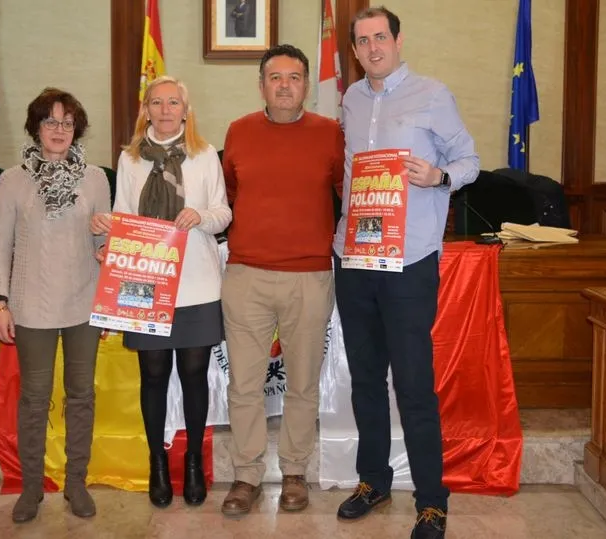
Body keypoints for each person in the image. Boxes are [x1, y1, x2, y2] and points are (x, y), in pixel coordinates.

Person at [332, 7, 480, 539]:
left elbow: (470, 161)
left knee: (414, 384)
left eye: (380, 38)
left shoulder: (433, 94)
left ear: (397, 40)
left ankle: (432, 501)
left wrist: (438, 175)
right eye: (363, 41)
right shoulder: (349, 99)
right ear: (354, 50)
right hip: (355, 259)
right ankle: (373, 480)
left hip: (409, 262)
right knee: (366, 379)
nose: (373, 48)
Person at [90, 75, 232, 508]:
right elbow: (123, 217)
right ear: (145, 110)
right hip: (145, 285)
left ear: (186, 110)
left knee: (193, 376)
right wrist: (108, 235)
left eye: (174, 102)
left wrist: (201, 216)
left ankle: (191, 462)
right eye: (157, 102)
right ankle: (156, 463)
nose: (166, 109)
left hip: (197, 282)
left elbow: (224, 213)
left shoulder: (205, 155)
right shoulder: (129, 159)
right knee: (152, 375)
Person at [220, 44, 344, 516]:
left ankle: (294, 471)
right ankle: (247, 475)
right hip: (246, 274)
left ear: (307, 85)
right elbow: (227, 196)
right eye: (276, 77)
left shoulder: (330, 133)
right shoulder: (238, 132)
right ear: (262, 85)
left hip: (308, 278)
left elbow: (346, 194)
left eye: (294, 77)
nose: (285, 85)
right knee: (245, 385)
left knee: (302, 384)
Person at [0, 88, 111, 523]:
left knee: (81, 396)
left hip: (83, 305)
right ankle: (32, 487)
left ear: (76, 130)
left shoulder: (96, 178)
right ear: (35, 127)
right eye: (50, 121)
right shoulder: (11, 180)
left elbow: (105, 249)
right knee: (35, 399)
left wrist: (106, 237)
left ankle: (76, 484)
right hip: (31, 305)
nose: (59, 130)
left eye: (67, 123)